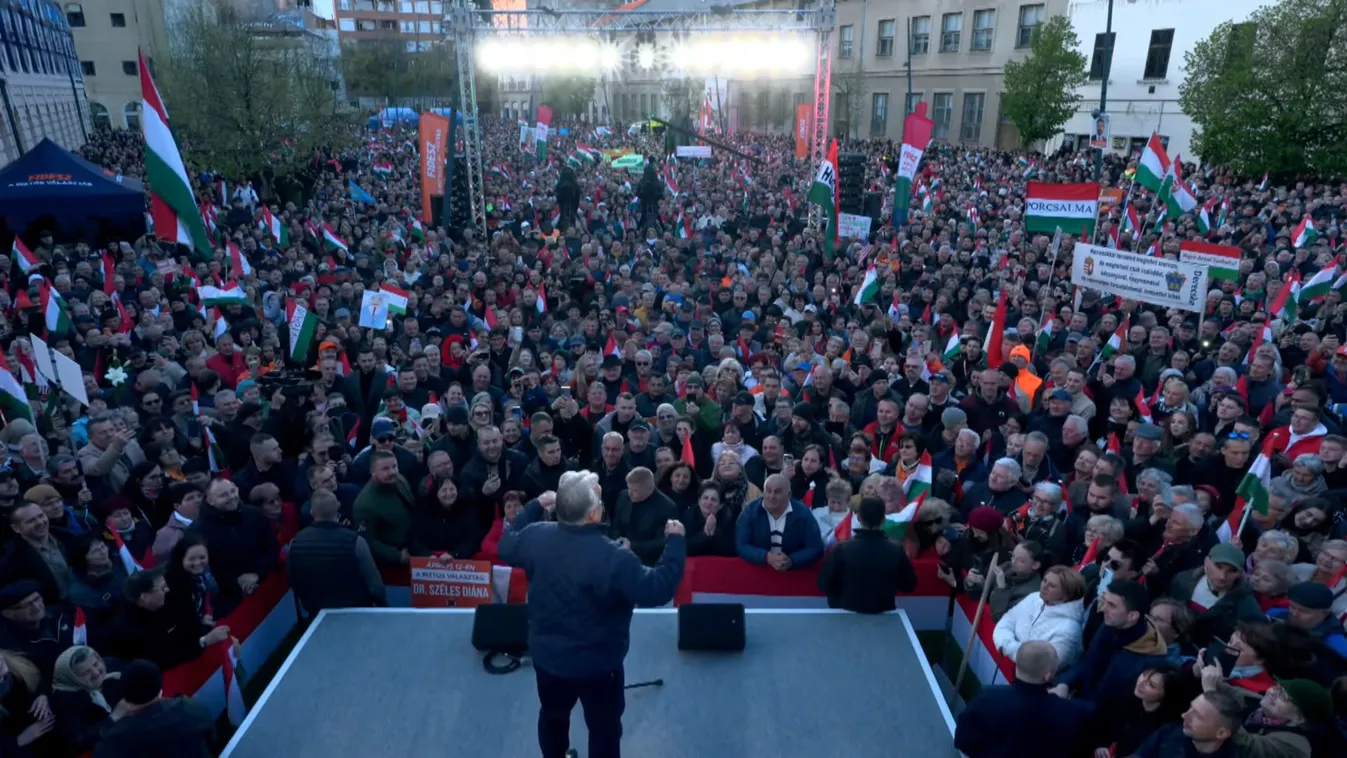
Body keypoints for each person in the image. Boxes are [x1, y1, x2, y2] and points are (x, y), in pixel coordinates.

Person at [497, 471, 686, 758]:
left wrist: (536, 504)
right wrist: (675, 542)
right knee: (604, 728)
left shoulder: (535, 536)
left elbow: (506, 542)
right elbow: (657, 589)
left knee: (552, 718)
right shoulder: (615, 557)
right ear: (595, 513)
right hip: (599, 666)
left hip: (548, 661)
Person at [954, 640, 1093, 758]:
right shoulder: (1072, 713)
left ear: (1016, 666)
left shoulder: (987, 698)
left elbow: (963, 741)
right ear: (1047, 676)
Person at [287, 489, 386, 613]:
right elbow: (376, 587)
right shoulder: (356, 542)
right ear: (338, 508)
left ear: (312, 512)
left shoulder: (295, 543)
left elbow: (293, 583)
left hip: (316, 611)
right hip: (355, 611)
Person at [92, 659, 214, 758]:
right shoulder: (189, 707)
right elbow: (212, 739)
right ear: (161, 685)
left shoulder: (115, 740)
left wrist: (112, 720)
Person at [817, 497, 917, 613]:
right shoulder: (896, 550)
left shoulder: (841, 550)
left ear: (858, 518)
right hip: (882, 616)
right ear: (884, 519)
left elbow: (824, 584)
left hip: (845, 615)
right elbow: (908, 585)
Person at [992, 565, 1087, 667]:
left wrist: (1010, 648)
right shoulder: (1034, 597)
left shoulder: (1069, 629)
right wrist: (1007, 644)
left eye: (1052, 585)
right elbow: (1007, 620)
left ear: (1067, 594)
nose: (1044, 586)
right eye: (1044, 580)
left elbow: (1044, 665)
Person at [735, 473, 824, 571]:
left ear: (789, 495)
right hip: (758, 571)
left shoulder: (803, 514)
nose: (771, 496)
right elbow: (741, 545)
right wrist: (766, 557)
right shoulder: (750, 511)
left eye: (777, 492)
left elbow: (815, 548)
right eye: (768, 491)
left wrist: (792, 560)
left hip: (792, 574)